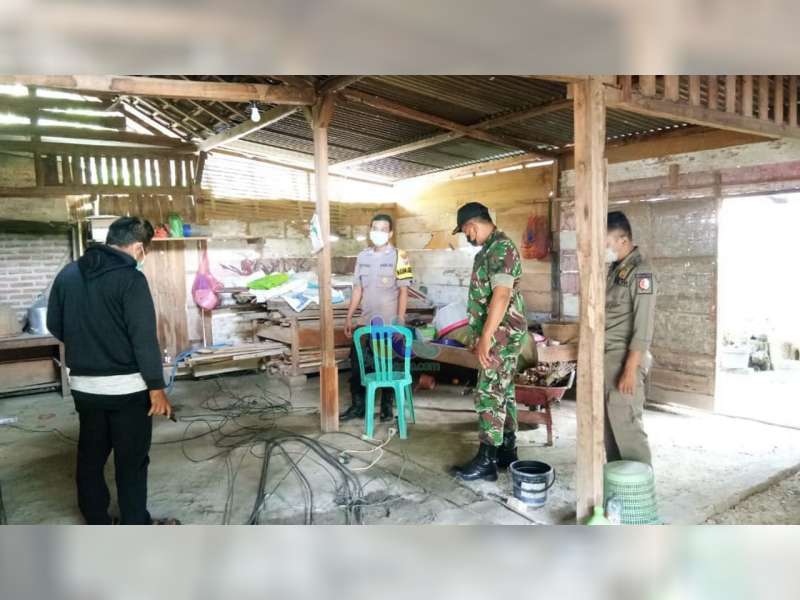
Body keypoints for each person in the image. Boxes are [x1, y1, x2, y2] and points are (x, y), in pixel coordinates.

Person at [47, 216, 176, 525]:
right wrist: (156, 389)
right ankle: (135, 523)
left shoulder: (68, 273)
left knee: (91, 455)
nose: (143, 256)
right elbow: (143, 339)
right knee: (131, 460)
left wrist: (87, 347)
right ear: (136, 247)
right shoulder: (131, 279)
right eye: (144, 250)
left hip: (83, 387)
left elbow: (54, 324)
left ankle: (97, 520)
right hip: (127, 389)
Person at [451, 202, 527, 481]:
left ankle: (486, 461)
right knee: (503, 393)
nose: (467, 237)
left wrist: (486, 337)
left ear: (472, 225)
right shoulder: (490, 250)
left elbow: (502, 295)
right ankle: (507, 451)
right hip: (499, 334)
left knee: (488, 394)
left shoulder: (501, 249)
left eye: (466, 232)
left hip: (500, 336)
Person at [341, 214, 413, 423]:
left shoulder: (402, 256)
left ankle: (386, 409)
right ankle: (358, 407)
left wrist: (400, 322)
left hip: (389, 325)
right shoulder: (362, 256)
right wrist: (349, 317)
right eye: (375, 228)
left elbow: (404, 292)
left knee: (387, 365)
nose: (378, 233)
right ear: (370, 230)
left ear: (390, 233)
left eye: (383, 229)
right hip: (365, 323)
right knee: (357, 367)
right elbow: (357, 289)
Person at [604, 211, 657, 466]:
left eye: (606, 243)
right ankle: (620, 495)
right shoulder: (615, 271)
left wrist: (630, 370)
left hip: (624, 361)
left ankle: (641, 499)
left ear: (622, 240)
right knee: (611, 434)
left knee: (629, 432)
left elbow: (643, 327)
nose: (604, 249)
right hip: (607, 361)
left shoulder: (640, 273)